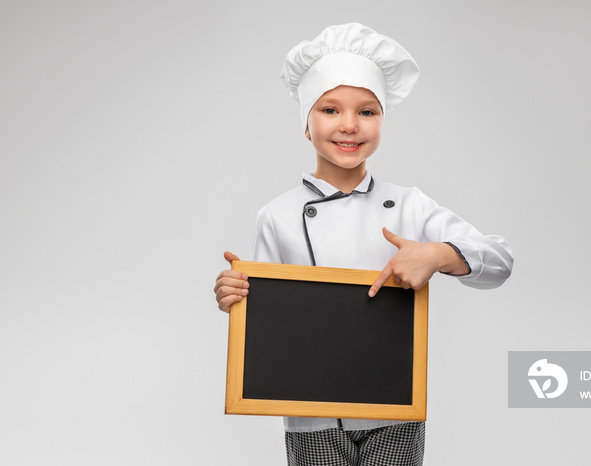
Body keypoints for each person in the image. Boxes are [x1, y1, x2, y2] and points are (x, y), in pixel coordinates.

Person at [213, 23, 513, 466]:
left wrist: (439, 254)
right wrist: (236, 297)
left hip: (393, 408)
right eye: (330, 109)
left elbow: (500, 260)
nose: (349, 125)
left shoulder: (410, 205)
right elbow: (268, 322)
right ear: (305, 122)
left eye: (367, 112)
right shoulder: (276, 216)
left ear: (382, 120)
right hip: (310, 416)